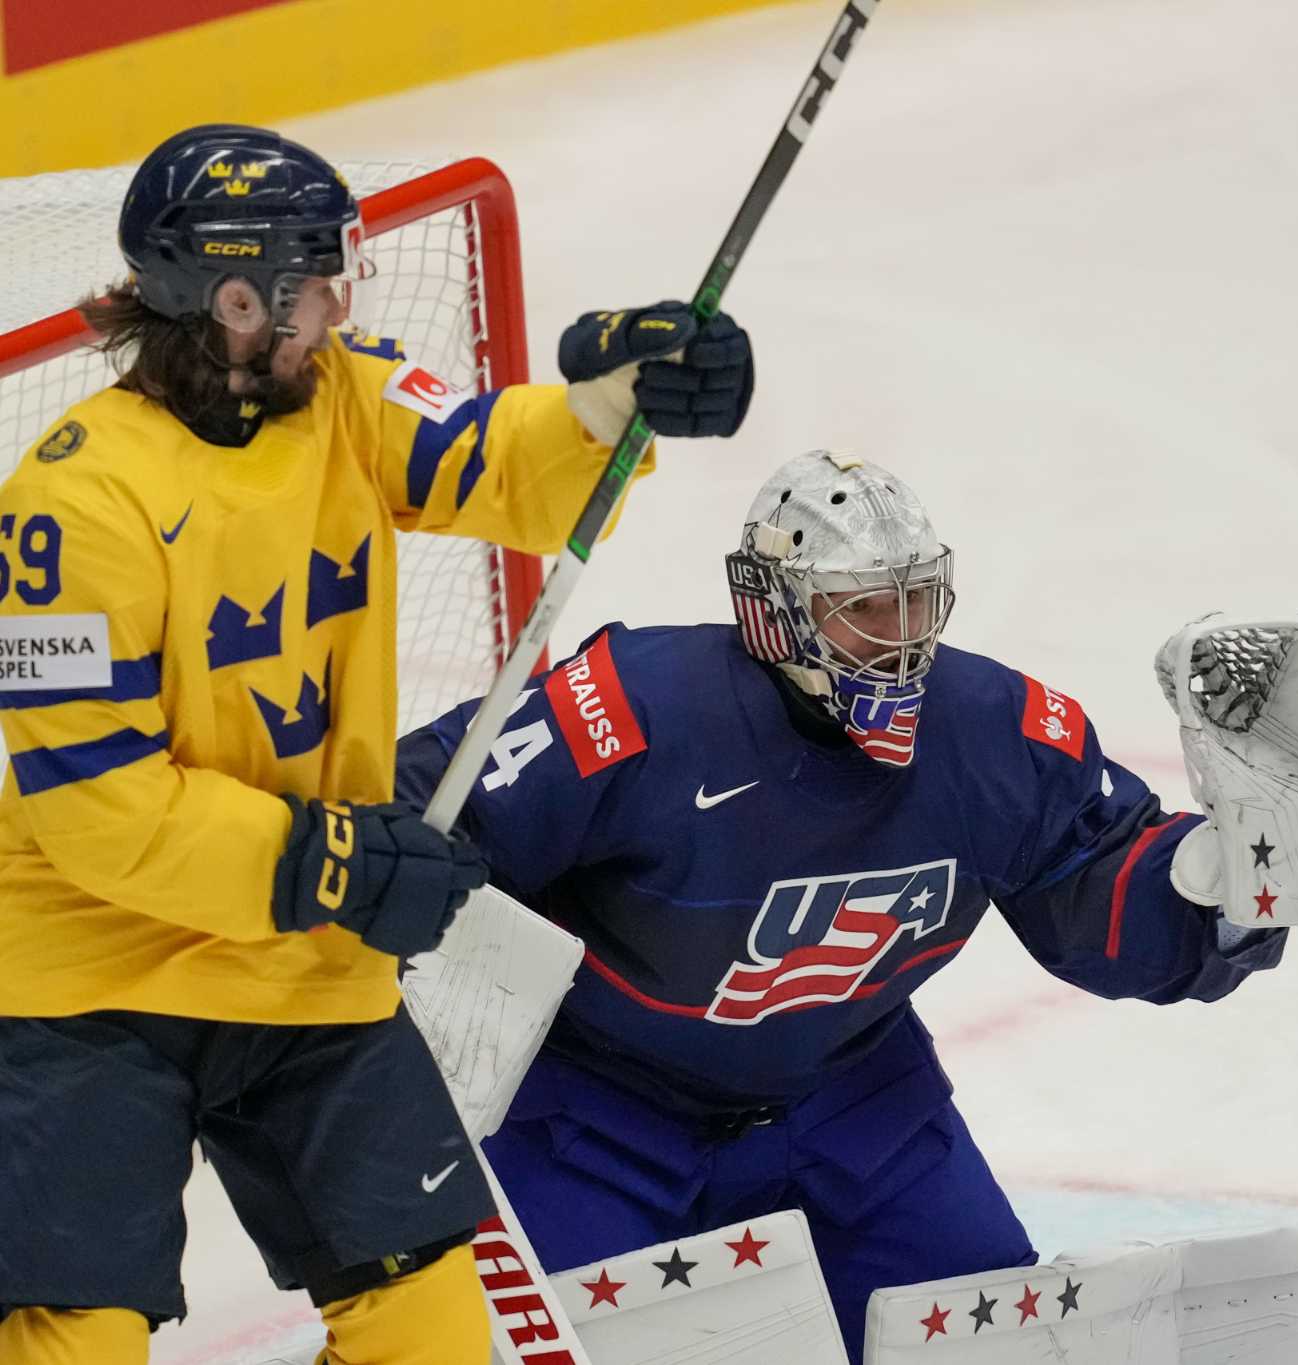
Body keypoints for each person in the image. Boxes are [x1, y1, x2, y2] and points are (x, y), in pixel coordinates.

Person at [0, 123, 754, 1365]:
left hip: (300, 959)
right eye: (314, 281)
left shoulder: (341, 394)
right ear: (236, 301)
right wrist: (330, 865)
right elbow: (97, 806)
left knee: (435, 1336)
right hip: (93, 971)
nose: (342, 301)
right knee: (77, 1340)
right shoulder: (71, 504)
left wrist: (612, 401)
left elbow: (488, 457)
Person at [391, 449, 1298, 1354]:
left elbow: (1102, 891)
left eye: (915, 599)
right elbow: (422, 813)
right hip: (599, 1121)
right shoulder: (632, 706)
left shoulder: (993, 727)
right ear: (774, 609)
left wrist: (1222, 879)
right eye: (865, 607)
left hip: (854, 1105)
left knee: (989, 1348)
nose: (902, 636)